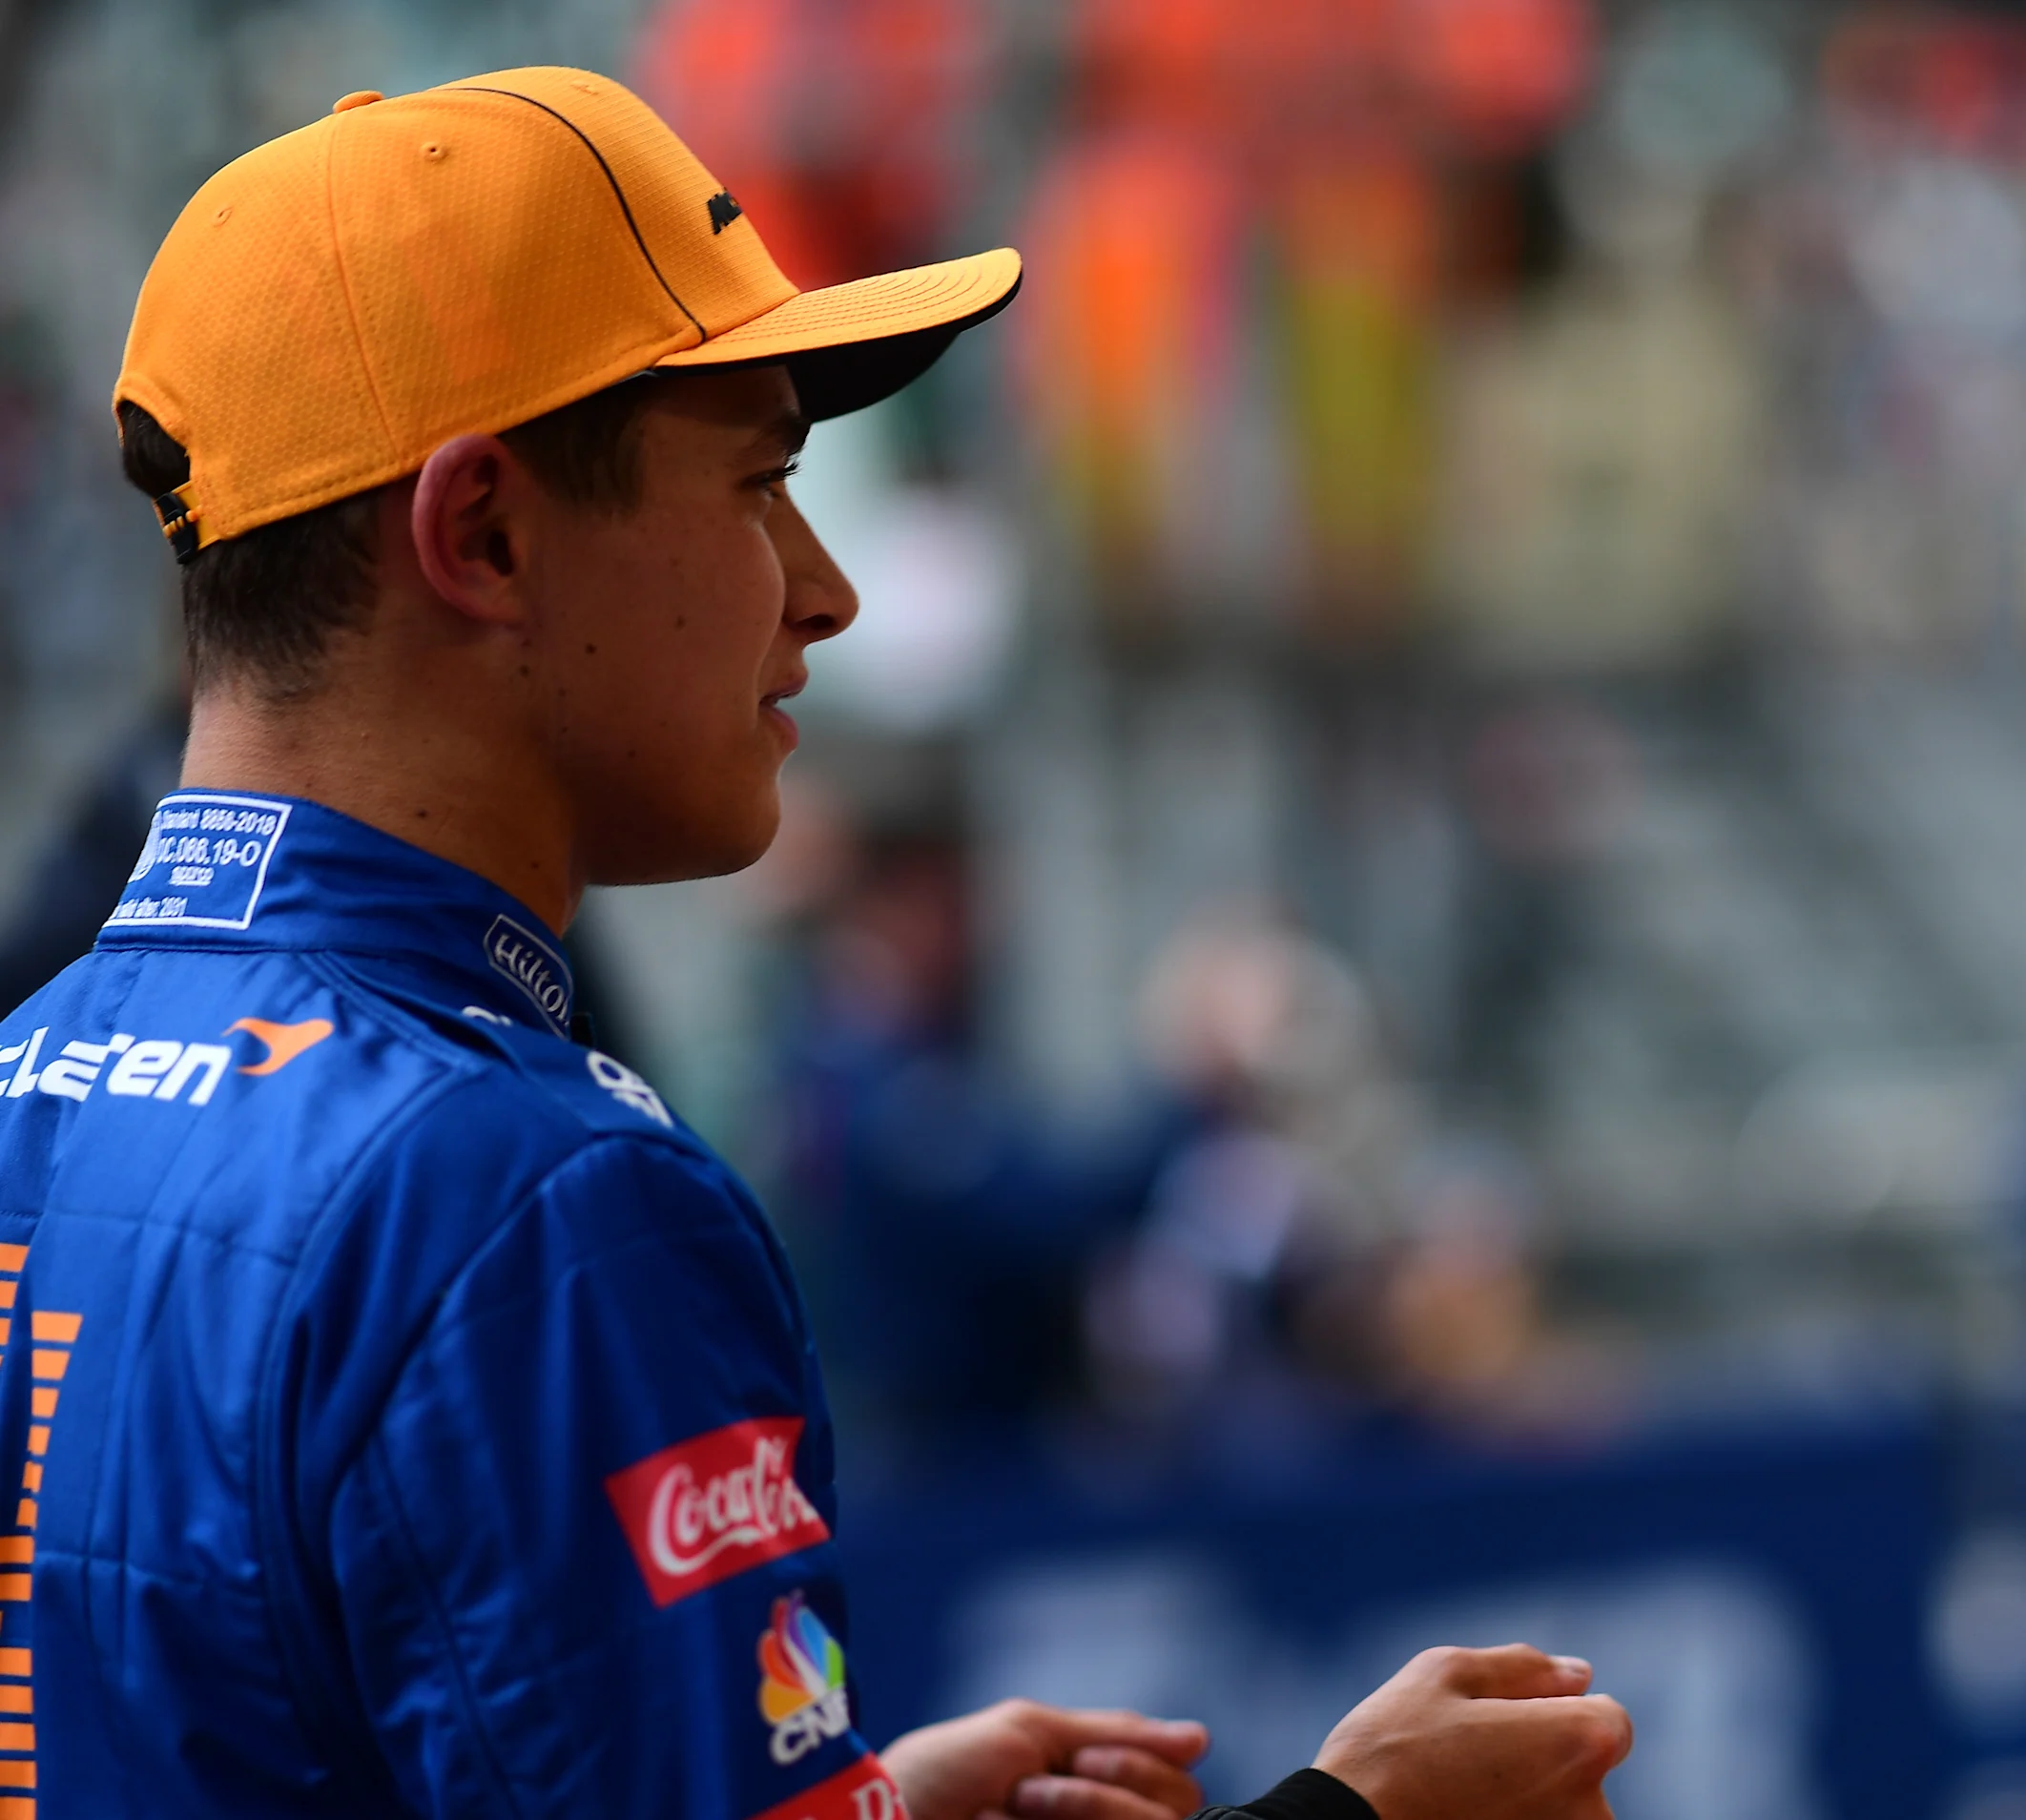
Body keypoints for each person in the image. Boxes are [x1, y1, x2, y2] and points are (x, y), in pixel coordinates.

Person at [0, 70, 1627, 1820]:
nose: (821, 581)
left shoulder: (34, 1081)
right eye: (761, 479)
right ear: (482, 533)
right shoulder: (528, 1200)